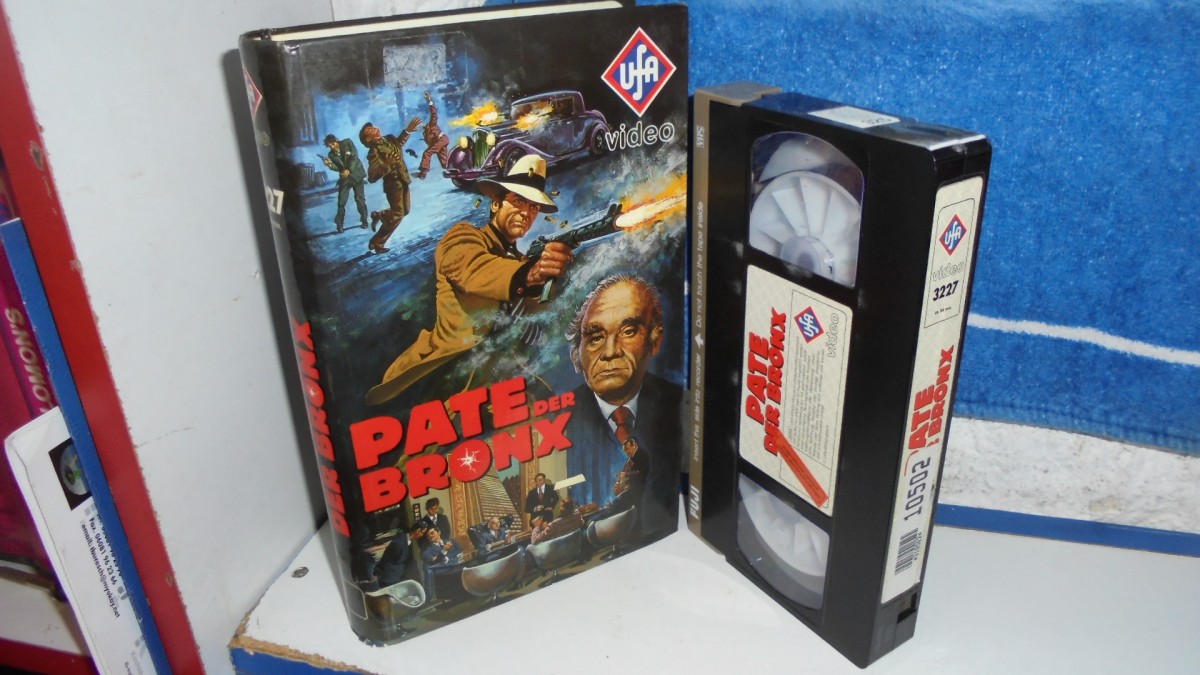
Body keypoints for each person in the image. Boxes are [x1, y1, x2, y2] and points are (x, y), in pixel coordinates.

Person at [365, 154, 575, 405]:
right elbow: (474, 270)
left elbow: (538, 319)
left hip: (502, 378)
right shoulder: (463, 237)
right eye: (518, 200)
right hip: (447, 376)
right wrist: (530, 274)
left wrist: (548, 277)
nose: (525, 213)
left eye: (533, 207)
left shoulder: (521, 263)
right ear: (496, 204)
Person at [564, 275, 684, 542]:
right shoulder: (557, 421)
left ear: (655, 340)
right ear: (576, 355)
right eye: (595, 337)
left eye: (628, 332)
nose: (610, 352)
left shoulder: (680, 405)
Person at [360, 116, 422, 254]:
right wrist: (387, 165)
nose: (375, 128)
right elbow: (372, 176)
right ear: (369, 139)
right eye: (370, 130)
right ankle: (377, 242)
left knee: (405, 211)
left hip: (403, 178)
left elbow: (398, 144)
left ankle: (379, 215)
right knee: (398, 213)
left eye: (373, 126)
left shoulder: (389, 138)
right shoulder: (373, 153)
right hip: (392, 184)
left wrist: (408, 131)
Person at [321, 134, 369, 232]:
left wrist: (349, 170)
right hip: (345, 178)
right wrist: (330, 165)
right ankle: (340, 225)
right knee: (341, 202)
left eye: (333, 144)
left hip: (356, 174)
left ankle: (364, 221)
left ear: (336, 140)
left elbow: (354, 157)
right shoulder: (331, 155)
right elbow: (338, 168)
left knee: (359, 199)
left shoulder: (347, 142)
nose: (332, 147)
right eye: (330, 146)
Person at [366, 523, 425, 590]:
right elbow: (386, 560)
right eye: (422, 533)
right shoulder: (399, 542)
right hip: (390, 578)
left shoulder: (408, 543)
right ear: (418, 530)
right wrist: (378, 573)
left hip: (399, 577)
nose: (422, 535)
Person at [414, 91, 450, 180]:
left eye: (420, 124)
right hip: (441, 141)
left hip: (441, 139)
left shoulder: (431, 124)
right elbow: (431, 143)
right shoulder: (425, 134)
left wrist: (430, 101)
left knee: (427, 153)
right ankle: (455, 169)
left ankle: (423, 173)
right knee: (444, 162)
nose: (419, 126)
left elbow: (434, 114)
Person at [612, 436, 649, 513]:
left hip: (641, 489)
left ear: (634, 445)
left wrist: (626, 474)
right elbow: (625, 471)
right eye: (625, 450)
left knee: (618, 503)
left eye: (628, 449)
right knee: (617, 503)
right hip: (633, 489)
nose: (627, 452)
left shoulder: (642, 455)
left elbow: (641, 472)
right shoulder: (630, 459)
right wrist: (619, 482)